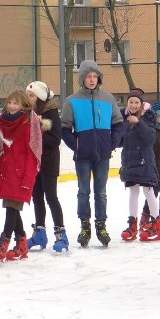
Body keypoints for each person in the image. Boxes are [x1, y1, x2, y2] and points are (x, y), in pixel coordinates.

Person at [60, 60, 123, 248]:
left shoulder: (108, 98)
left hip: (103, 154)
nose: (92, 79)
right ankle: (85, 226)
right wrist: (77, 146)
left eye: (95, 76)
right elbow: (64, 128)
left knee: (101, 192)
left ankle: (101, 225)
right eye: (88, 76)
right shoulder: (71, 101)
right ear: (82, 79)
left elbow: (118, 124)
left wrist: (111, 144)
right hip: (83, 156)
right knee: (83, 192)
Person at [0, 90, 43, 262]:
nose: (11, 106)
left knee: (12, 209)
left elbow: (32, 153)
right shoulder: (3, 122)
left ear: (23, 105)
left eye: (15, 103)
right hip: (7, 170)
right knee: (12, 207)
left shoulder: (28, 122)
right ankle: (21, 244)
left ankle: (3, 243)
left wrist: (27, 177)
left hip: (21, 173)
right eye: (9, 102)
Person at [25, 81, 68, 253]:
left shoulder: (51, 114)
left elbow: (56, 139)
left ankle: (60, 233)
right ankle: (40, 232)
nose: (28, 99)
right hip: (35, 163)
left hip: (48, 162)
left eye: (31, 95)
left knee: (51, 197)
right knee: (36, 196)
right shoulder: (30, 113)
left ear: (40, 97)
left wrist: (35, 139)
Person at [118, 88, 160, 242]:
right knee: (133, 192)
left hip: (145, 162)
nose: (133, 105)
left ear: (142, 105)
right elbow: (120, 141)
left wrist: (138, 123)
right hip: (130, 162)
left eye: (137, 102)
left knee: (149, 192)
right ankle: (132, 225)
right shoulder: (124, 119)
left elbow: (150, 139)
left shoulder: (148, 119)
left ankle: (157, 225)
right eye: (131, 102)